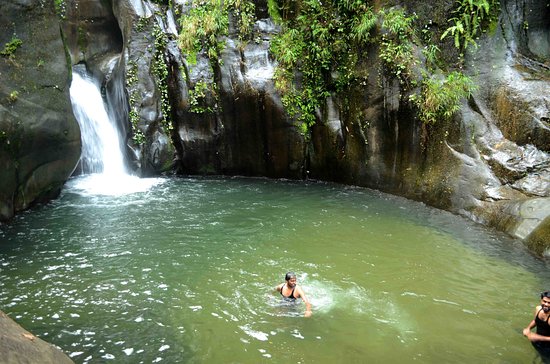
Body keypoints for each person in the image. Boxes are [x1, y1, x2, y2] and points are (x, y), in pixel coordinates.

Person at [523, 291, 550, 358]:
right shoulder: (538, 309)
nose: (546, 304)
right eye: (544, 301)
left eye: (549, 303)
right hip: (537, 341)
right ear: (541, 300)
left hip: (548, 348)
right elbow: (536, 321)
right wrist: (528, 328)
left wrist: (537, 337)